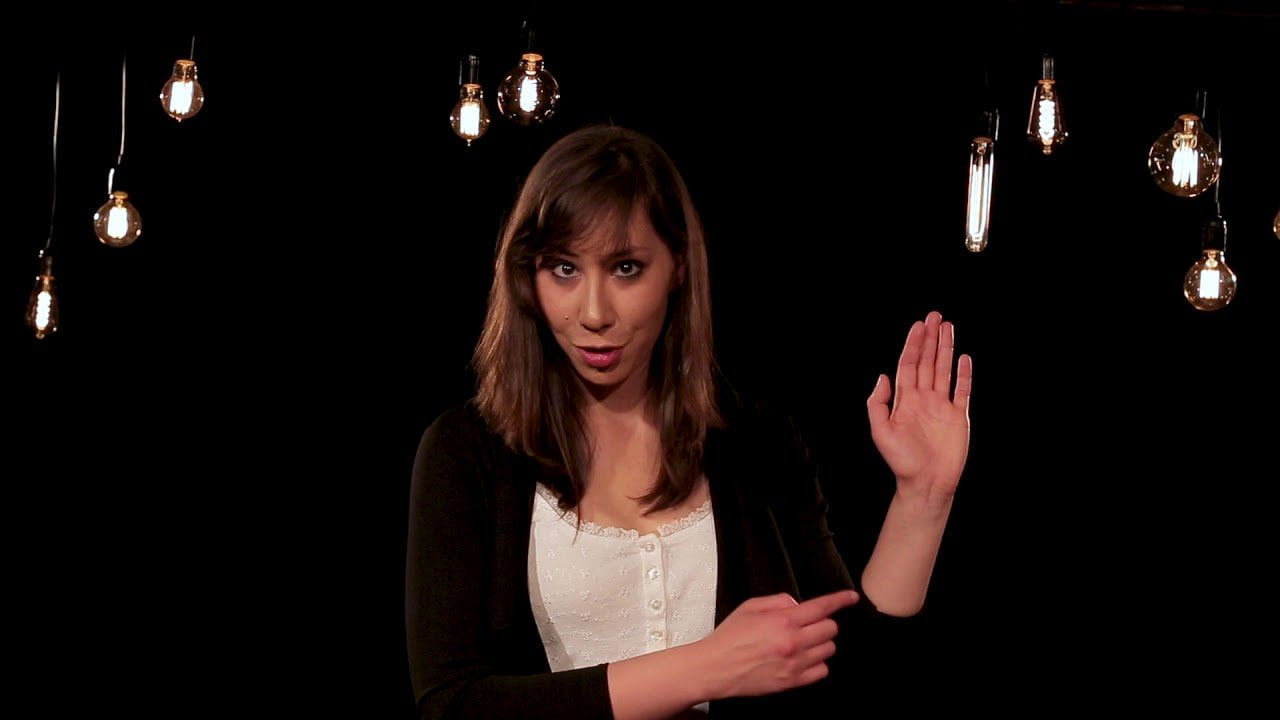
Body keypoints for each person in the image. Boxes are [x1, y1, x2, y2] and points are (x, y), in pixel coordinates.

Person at [406, 125, 972, 719]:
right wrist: (706, 667)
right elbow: (452, 704)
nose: (594, 312)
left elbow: (843, 671)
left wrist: (922, 499)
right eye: (564, 269)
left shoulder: (757, 443)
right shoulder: (466, 451)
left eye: (626, 268)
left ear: (678, 266)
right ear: (528, 277)